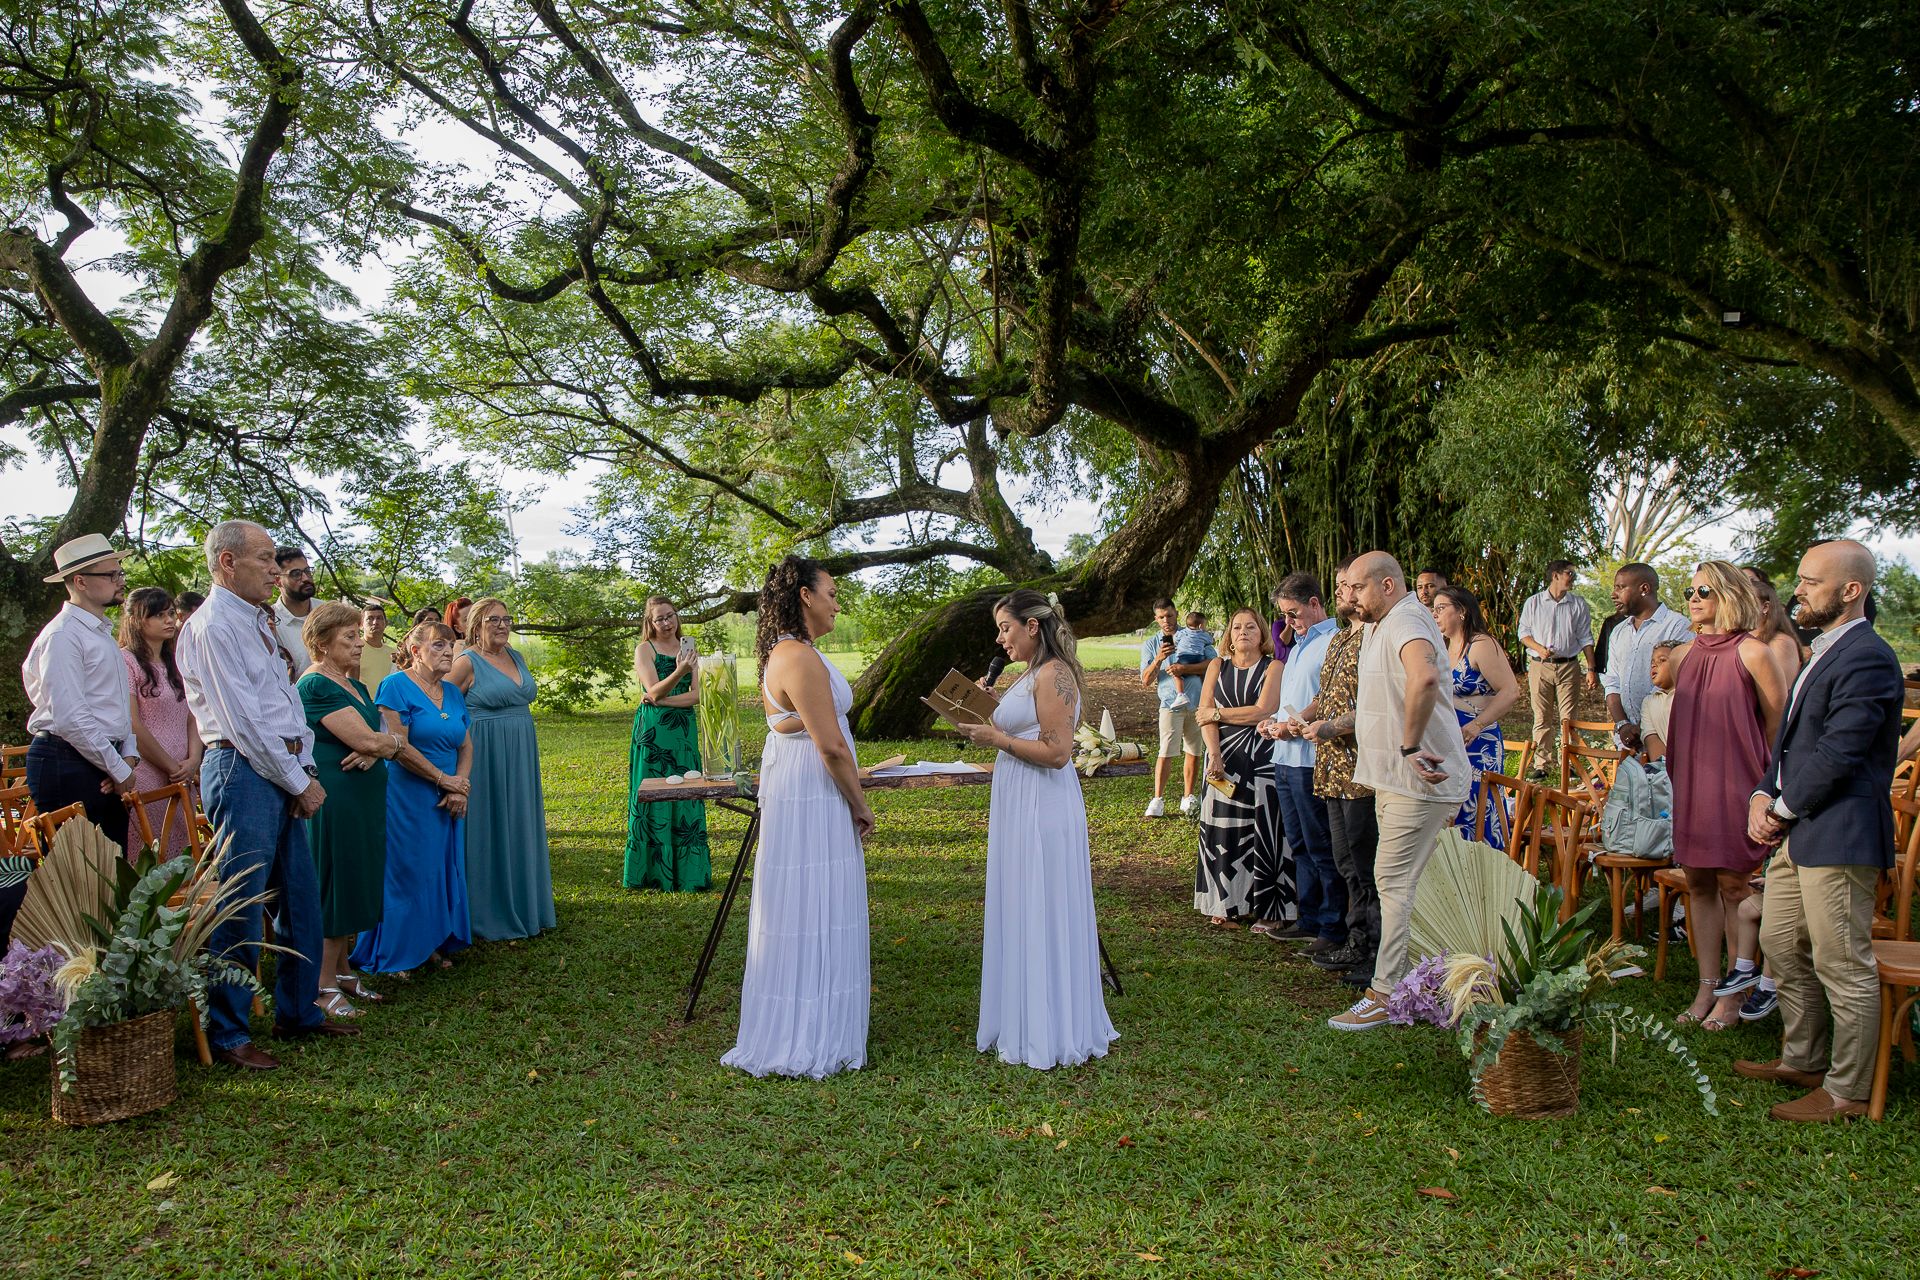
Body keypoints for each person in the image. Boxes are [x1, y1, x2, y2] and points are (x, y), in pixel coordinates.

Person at [1738, 539, 1905, 1123]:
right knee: (1781, 943)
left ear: (1851, 591)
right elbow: (1789, 745)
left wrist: (1781, 810)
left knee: (1842, 961)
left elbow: (1841, 750)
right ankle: (1803, 1057)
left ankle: (1847, 1090)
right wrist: (1764, 790)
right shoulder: (1821, 652)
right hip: (1798, 826)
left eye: (1811, 581)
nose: (1798, 590)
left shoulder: (1869, 656)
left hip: (1838, 831)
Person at [177, 520, 347, 1070]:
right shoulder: (212, 627)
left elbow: (283, 702)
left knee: (299, 898)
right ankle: (228, 1034)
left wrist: (301, 767)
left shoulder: (260, 621)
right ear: (227, 563)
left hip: (278, 767)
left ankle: (299, 1012)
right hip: (241, 768)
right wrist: (299, 780)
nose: (277, 570)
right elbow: (243, 722)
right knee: (240, 906)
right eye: (266, 559)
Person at [951, 589, 1118, 1069]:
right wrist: (985, 710)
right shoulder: (1027, 674)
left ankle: (1052, 1024)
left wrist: (996, 737)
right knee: (1020, 900)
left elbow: (1058, 753)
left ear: (1032, 626)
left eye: (1005, 628)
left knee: (1043, 900)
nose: (1000, 639)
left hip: (1043, 802)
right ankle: (1021, 1014)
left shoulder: (1055, 674)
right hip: (1016, 799)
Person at [724, 557, 874, 1078]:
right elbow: (831, 746)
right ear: (806, 597)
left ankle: (814, 1017)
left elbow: (795, 723)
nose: (838, 602)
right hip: (814, 790)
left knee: (809, 901)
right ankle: (809, 1032)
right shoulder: (798, 656)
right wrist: (860, 803)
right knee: (816, 898)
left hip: (803, 781)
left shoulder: (792, 652)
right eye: (831, 592)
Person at [1327, 551, 1471, 1032]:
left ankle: (1386, 992)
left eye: (1359, 589)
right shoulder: (1374, 625)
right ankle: (1437, 979)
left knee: (1392, 882)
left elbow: (1425, 677)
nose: (1352, 599)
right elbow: (1374, 705)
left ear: (1388, 586)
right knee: (1404, 882)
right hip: (1393, 779)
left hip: (1421, 778)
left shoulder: (1408, 618)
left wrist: (1410, 744)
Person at [1666, 562, 1788, 1031]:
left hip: (1738, 784)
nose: (1694, 598)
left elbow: (1778, 730)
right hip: (1692, 783)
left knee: (1735, 887)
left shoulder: (1755, 652)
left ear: (1730, 595)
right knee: (1697, 883)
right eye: (1690, 591)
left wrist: (1768, 792)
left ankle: (1735, 997)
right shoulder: (1684, 654)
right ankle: (1707, 984)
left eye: (1705, 591)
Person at [17, 535, 138, 945]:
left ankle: (112, 974)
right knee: (82, 882)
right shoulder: (63, 635)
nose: (120, 580)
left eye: (119, 571)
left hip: (96, 758)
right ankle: (78, 976)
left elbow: (116, 708)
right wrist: (116, 766)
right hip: (66, 759)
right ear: (81, 581)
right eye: (111, 574)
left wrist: (127, 757)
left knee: (111, 872)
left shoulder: (99, 632)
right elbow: (70, 715)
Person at [296, 602, 403, 1018]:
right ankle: (322, 983)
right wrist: (383, 748)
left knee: (357, 878)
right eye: (350, 637)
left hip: (363, 798)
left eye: (358, 635)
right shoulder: (316, 686)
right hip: (335, 798)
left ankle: (343, 971)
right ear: (321, 643)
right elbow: (375, 740)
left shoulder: (354, 685)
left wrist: (379, 751)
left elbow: (382, 736)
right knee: (336, 884)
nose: (360, 643)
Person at [351, 621, 473, 976]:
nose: (448, 651)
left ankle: (432, 940)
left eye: (450, 645)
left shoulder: (451, 691)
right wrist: (443, 780)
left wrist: (460, 785)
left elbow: (466, 745)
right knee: (407, 868)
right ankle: (399, 948)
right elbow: (398, 747)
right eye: (438, 645)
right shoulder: (395, 686)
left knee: (439, 864)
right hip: (408, 793)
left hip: (449, 791)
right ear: (415, 651)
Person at [449, 599, 555, 940]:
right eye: (493, 620)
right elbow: (441, 704)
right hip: (484, 750)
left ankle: (526, 905)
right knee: (488, 824)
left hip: (521, 749)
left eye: (506, 619)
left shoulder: (516, 656)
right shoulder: (466, 662)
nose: (502, 625)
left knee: (519, 820)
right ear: (476, 624)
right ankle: (485, 911)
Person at [1301, 557, 1380, 987]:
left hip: (1360, 770)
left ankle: (1375, 951)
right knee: (1345, 861)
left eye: (1349, 586)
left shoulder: (1375, 638)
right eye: (1338, 586)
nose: (1341, 593)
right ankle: (1356, 939)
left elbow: (1374, 705)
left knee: (1366, 865)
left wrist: (1330, 727)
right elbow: (1325, 696)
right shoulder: (1338, 640)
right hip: (1330, 768)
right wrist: (1301, 721)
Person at [1263, 575, 1347, 954]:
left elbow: (1326, 697)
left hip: (1312, 758)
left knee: (1320, 843)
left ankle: (1332, 924)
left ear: (1315, 603)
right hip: (1285, 757)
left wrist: (1292, 726)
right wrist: (1274, 722)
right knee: (1297, 842)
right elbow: (1293, 699)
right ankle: (1308, 917)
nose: (1289, 622)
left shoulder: (1333, 641)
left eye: (1293, 613)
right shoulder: (1296, 645)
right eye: (1284, 615)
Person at [1190, 609, 1283, 928]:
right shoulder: (1217, 665)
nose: (1243, 632)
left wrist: (1217, 714)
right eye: (1237, 627)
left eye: (1251, 626)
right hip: (1221, 757)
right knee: (1222, 829)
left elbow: (1264, 711)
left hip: (1260, 761)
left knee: (1260, 830)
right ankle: (1224, 904)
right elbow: (1203, 713)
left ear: (1262, 633)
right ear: (1229, 634)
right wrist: (1213, 754)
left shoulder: (1274, 667)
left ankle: (1263, 905)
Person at [622, 595, 711, 892]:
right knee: (653, 791)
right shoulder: (643, 649)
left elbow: (697, 695)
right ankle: (651, 874)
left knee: (686, 790)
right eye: (659, 618)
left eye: (670, 615)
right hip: (654, 732)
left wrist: (663, 699)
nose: (666, 623)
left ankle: (689, 875)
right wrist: (679, 672)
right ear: (650, 622)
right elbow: (652, 688)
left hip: (682, 730)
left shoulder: (689, 647)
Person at [1432, 586, 1521, 847]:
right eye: (1433, 610)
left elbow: (1511, 691)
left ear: (1461, 611)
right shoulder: (1445, 647)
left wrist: (1477, 725)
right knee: (1453, 812)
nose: (1435, 615)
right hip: (1450, 742)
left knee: (1478, 810)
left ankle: (1486, 873)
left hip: (1477, 742)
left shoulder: (1481, 645)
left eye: (1441, 608)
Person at [119, 585, 200, 857]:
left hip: (184, 772)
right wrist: (171, 766)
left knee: (185, 857)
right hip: (148, 772)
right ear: (137, 620)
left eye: (170, 614)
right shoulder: (125, 661)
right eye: (159, 615)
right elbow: (132, 723)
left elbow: (194, 712)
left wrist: (193, 760)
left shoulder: (177, 660)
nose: (170, 621)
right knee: (152, 857)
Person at [1516, 560, 1597, 778]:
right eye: (1569, 573)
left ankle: (1568, 762)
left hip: (1569, 665)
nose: (1573, 577)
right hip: (1540, 666)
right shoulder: (1533, 603)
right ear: (1555, 575)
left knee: (1568, 717)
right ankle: (1542, 764)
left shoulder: (1578, 604)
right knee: (1541, 715)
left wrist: (1591, 668)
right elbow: (1523, 633)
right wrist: (1538, 648)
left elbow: (1585, 638)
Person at [1601, 562, 1692, 754]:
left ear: (1644, 589)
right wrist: (1623, 724)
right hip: (1627, 740)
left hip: (1664, 736)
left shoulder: (1677, 627)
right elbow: (1612, 682)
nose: (1613, 594)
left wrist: (1643, 725)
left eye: (1620, 587)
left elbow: (1677, 683)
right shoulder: (1619, 631)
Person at [1140, 598, 1215, 817]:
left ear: (1177, 613)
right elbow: (1145, 680)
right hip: (1169, 705)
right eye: (1161, 617)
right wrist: (1158, 659)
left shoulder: (1193, 634)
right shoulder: (1151, 644)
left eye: (1170, 615)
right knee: (1166, 751)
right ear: (1156, 619)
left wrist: (1186, 667)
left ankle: (1188, 797)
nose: (1166, 620)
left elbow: (1214, 664)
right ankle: (1157, 799)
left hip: (1197, 703)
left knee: (1194, 750)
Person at [1743, 567, 1806, 690]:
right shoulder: (1738, 638)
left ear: (1765, 607)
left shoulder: (1780, 643)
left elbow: (1782, 699)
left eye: (1747, 601)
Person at [270, 546, 326, 668]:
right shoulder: (269, 622)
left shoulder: (328, 612)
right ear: (277, 580)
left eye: (307, 571)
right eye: (296, 574)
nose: (305, 578)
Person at [1638, 641, 1682, 762]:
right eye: (1652, 662)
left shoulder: (1693, 695)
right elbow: (1652, 739)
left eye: (1662, 660)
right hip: (1668, 771)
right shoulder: (1649, 702)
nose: (1654, 665)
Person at [1165, 611, 1214, 710]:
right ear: (1200, 626)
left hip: (1184, 658)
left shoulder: (1182, 633)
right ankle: (1206, 692)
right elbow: (1211, 641)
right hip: (1198, 657)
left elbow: (1174, 641)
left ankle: (1180, 694)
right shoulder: (1204, 634)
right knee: (1202, 673)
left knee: (1176, 673)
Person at [358, 600, 399, 688]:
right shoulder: (355, 649)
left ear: (386, 623)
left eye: (379, 618)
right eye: (370, 618)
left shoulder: (394, 654)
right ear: (361, 625)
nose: (375, 622)